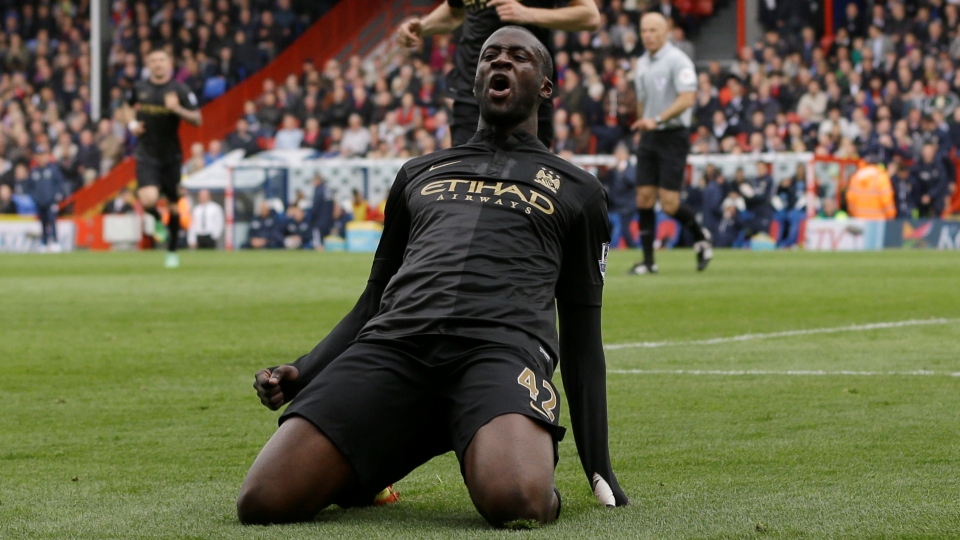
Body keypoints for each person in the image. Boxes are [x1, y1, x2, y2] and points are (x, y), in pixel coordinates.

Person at [238, 27, 628, 528]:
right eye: (490, 56)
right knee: (264, 501)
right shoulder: (417, 173)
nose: (501, 63)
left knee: (518, 503)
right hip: (395, 347)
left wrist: (599, 466)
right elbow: (374, 297)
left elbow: (581, 338)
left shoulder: (579, 190)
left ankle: (498, 440)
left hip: (499, 353)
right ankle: (378, 460)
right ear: (476, 79)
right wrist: (304, 370)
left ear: (546, 86)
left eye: (519, 57)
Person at [396, 0, 600, 147]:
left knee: (526, 185)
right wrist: (422, 27)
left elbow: (589, 16)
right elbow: (454, 12)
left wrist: (528, 13)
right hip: (472, 92)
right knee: (467, 183)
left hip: (526, 99)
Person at [629, 12, 712, 275]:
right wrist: (643, 123)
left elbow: (688, 97)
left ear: (666, 32)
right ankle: (648, 261)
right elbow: (642, 100)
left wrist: (657, 118)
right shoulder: (641, 63)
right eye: (644, 31)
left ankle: (701, 236)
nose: (648, 36)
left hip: (673, 135)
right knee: (643, 197)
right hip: (650, 135)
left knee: (669, 204)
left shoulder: (678, 60)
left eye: (653, 30)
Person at [122, 47, 202, 268]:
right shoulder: (140, 88)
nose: (158, 64)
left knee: (175, 207)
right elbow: (126, 108)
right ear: (148, 64)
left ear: (170, 63)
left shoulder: (180, 89)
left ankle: (172, 251)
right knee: (147, 198)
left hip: (171, 157)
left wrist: (177, 109)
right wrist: (131, 124)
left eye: (162, 60)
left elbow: (197, 119)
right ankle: (157, 219)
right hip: (146, 154)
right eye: (153, 60)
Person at [27, 146, 67, 251]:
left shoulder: (53, 169)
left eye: (43, 155)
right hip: (40, 202)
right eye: (38, 156)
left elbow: (59, 184)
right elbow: (29, 187)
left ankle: (54, 241)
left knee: (52, 220)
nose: (41, 158)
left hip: (51, 201)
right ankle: (44, 242)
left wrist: (57, 195)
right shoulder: (34, 171)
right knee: (43, 222)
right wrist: (34, 197)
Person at [603, 143, 637, 248]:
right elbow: (607, 184)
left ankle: (632, 248)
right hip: (615, 205)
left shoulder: (631, 168)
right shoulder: (613, 170)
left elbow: (633, 182)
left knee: (625, 229)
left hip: (627, 205)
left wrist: (623, 172)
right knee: (608, 226)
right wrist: (611, 171)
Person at [909, 143, 953, 218]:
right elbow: (914, 181)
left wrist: (930, 195)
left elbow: (942, 182)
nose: (927, 155)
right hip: (921, 198)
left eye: (929, 153)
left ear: (933, 153)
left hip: (936, 197)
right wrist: (922, 196)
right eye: (925, 153)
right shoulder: (917, 166)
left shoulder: (939, 165)